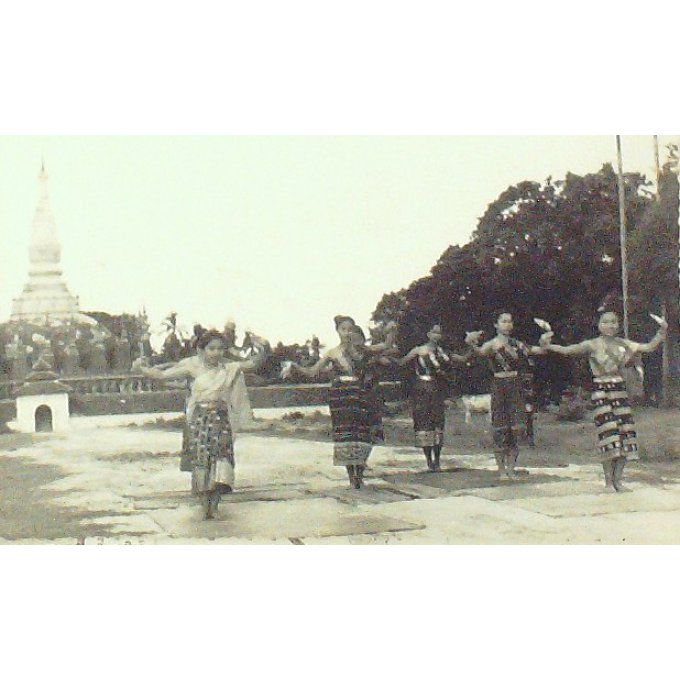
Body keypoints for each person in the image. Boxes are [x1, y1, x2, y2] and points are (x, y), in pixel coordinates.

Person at [133, 330, 267, 519]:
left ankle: (215, 505)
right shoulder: (192, 368)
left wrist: (262, 346)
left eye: (220, 349)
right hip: (200, 419)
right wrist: (143, 369)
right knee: (202, 460)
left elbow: (253, 364)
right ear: (201, 350)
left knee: (222, 460)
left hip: (221, 419)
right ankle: (205, 506)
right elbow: (162, 376)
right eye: (211, 349)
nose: (216, 353)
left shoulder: (228, 368)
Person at [540, 310, 667, 493]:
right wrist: (548, 345)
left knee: (626, 434)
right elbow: (568, 351)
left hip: (620, 393)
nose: (610, 325)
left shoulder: (623, 344)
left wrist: (661, 332)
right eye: (606, 322)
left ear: (618, 325)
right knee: (608, 435)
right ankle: (608, 482)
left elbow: (648, 347)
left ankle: (618, 481)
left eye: (614, 322)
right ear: (599, 325)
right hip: (602, 392)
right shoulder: (592, 345)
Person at [286, 315, 395, 489]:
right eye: (343, 329)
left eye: (350, 329)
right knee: (346, 435)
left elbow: (386, 346)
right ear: (337, 331)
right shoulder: (332, 353)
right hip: (341, 397)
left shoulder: (362, 350)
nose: (347, 333)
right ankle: (352, 476)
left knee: (362, 434)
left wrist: (391, 330)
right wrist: (295, 367)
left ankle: (359, 472)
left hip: (360, 394)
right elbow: (313, 372)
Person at [466, 312, 546, 480]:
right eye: (504, 321)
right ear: (496, 325)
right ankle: (501, 470)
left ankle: (511, 468)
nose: (508, 325)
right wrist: (471, 342)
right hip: (499, 386)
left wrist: (545, 340)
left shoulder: (517, 344)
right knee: (500, 428)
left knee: (517, 428)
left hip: (515, 385)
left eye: (510, 321)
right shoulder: (491, 344)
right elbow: (479, 353)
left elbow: (538, 351)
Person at [396, 324, 470, 471]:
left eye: (439, 333)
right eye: (434, 332)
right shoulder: (418, 350)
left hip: (436, 390)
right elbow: (402, 363)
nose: (437, 335)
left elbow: (461, 359)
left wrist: (471, 345)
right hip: (421, 389)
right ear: (428, 334)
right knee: (424, 424)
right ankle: (429, 459)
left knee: (437, 424)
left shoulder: (443, 352)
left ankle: (437, 459)